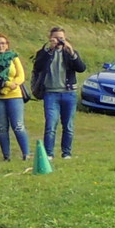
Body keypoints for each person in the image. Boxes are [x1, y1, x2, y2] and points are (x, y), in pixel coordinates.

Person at [31, 27, 87, 159]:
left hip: (69, 93)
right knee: (50, 125)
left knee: (68, 126)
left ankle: (66, 153)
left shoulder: (69, 53)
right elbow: (37, 66)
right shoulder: (44, 53)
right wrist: (49, 50)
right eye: (55, 38)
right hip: (51, 93)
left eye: (61, 38)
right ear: (50, 38)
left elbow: (81, 68)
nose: (59, 41)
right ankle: (48, 154)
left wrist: (72, 52)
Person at [0, 33, 30, 162]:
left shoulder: (13, 57)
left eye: (3, 43)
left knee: (18, 126)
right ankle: (6, 156)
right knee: (2, 127)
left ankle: (26, 154)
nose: (1, 46)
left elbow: (20, 76)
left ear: (7, 45)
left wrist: (11, 85)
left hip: (15, 96)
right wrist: (7, 84)